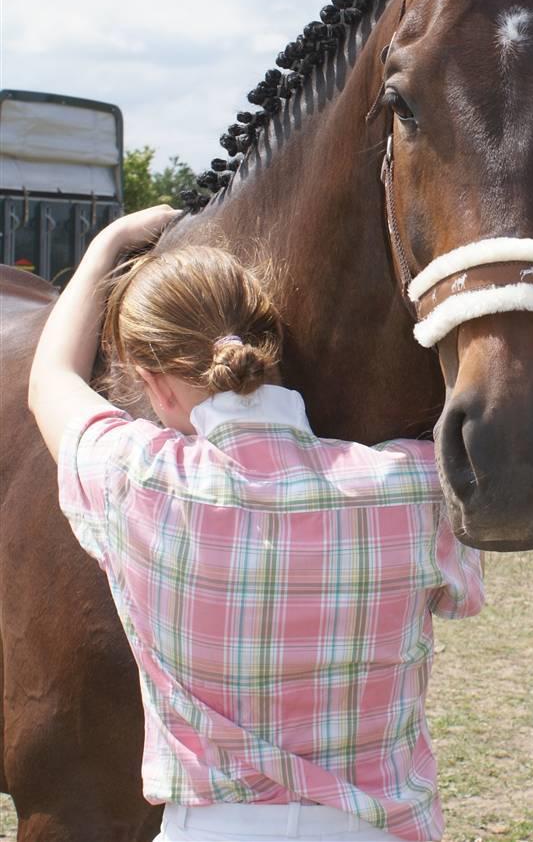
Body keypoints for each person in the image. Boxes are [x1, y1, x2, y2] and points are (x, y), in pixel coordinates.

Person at [28, 206, 484, 842]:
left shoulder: (134, 479)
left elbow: (49, 378)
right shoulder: (412, 486)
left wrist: (107, 245)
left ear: (153, 384)